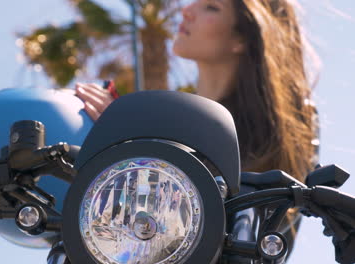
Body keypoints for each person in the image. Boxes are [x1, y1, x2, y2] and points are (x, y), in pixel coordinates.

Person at [75, 0, 319, 260]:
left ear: (241, 39)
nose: (187, 10)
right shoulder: (163, 124)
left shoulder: (281, 137)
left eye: (211, 7)